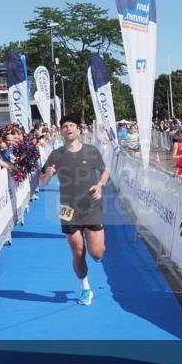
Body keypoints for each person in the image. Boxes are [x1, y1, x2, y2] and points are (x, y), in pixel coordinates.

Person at [39, 115, 109, 306]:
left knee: (97, 254)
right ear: (60, 132)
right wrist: (47, 174)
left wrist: (100, 185)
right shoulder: (55, 155)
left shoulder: (91, 151)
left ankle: (97, 250)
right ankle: (85, 288)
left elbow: (104, 171)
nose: (68, 128)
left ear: (78, 130)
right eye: (64, 126)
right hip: (67, 209)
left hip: (91, 207)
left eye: (71, 125)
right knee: (77, 252)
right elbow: (41, 182)